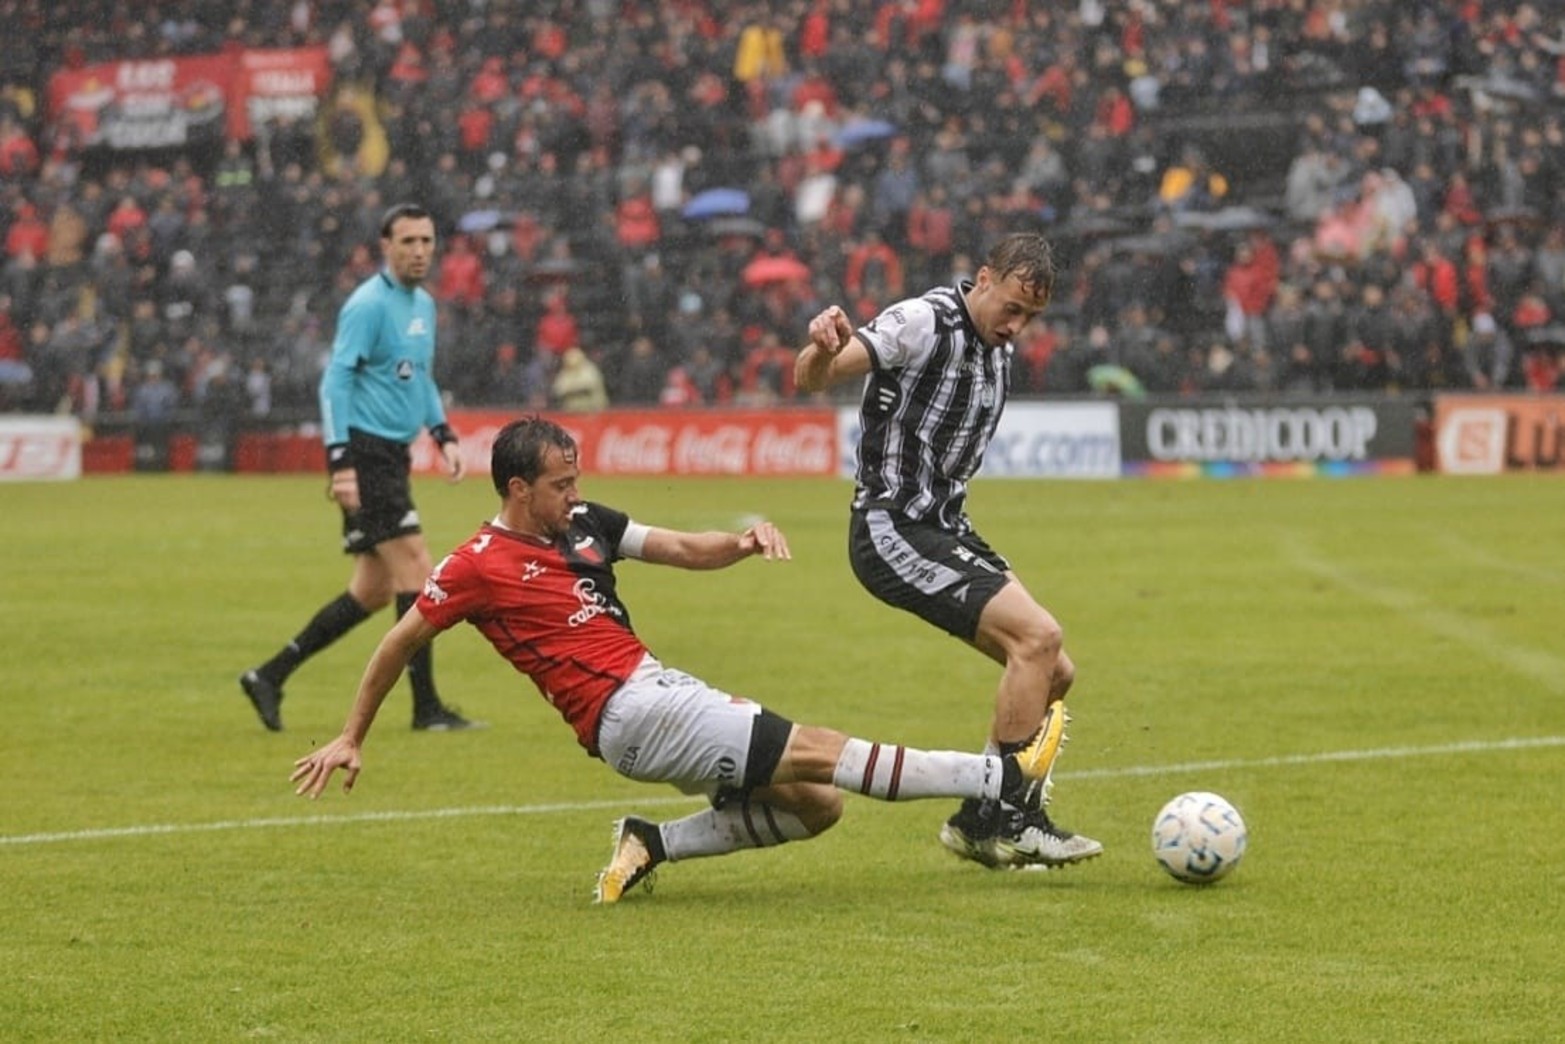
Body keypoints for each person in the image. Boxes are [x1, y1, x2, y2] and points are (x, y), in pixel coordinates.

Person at [289, 416, 1067, 904]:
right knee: (823, 751)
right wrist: (352, 734)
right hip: (631, 711)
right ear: (518, 489)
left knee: (815, 806)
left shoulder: (585, 522)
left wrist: (741, 542)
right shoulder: (475, 565)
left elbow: (677, 548)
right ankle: (1001, 779)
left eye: (576, 479)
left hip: (653, 696)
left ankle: (651, 841)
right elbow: (398, 640)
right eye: (560, 485)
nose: (575, 494)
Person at [793, 231, 1103, 871]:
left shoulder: (997, 348)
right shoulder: (922, 322)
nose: (1017, 327)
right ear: (984, 278)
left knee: (1055, 669)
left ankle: (978, 822)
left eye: (1031, 317)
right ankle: (1015, 817)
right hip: (891, 527)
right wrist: (821, 347)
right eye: (1012, 308)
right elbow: (811, 378)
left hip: (945, 525)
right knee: (1038, 638)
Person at [240, 203, 475, 733]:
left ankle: (268, 676)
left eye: (426, 241)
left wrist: (443, 434)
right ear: (386, 247)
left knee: (372, 590)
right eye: (408, 241)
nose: (419, 251)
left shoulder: (424, 305)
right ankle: (426, 710)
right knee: (417, 570)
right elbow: (335, 382)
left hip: (392, 455)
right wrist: (340, 462)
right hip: (367, 456)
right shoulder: (367, 305)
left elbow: (420, 377)